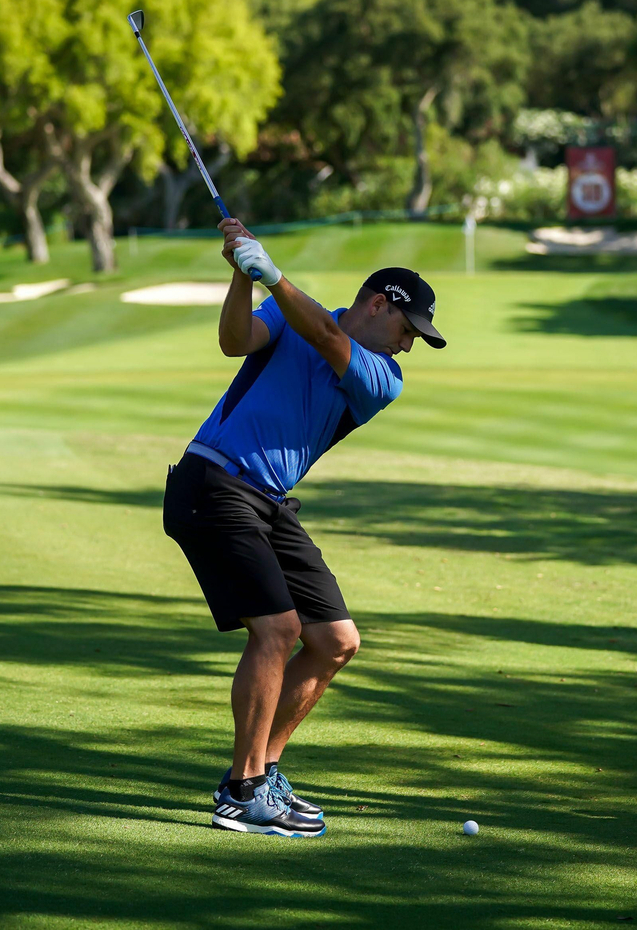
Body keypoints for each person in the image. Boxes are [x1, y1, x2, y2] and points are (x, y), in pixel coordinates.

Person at [163, 216, 446, 837]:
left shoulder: (381, 379)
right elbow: (235, 342)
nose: (407, 347)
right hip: (213, 482)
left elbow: (320, 330)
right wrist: (243, 276)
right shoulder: (291, 320)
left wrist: (274, 275)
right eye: (407, 330)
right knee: (278, 629)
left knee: (336, 641)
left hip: (266, 499)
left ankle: (264, 773)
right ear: (378, 304)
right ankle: (241, 792)